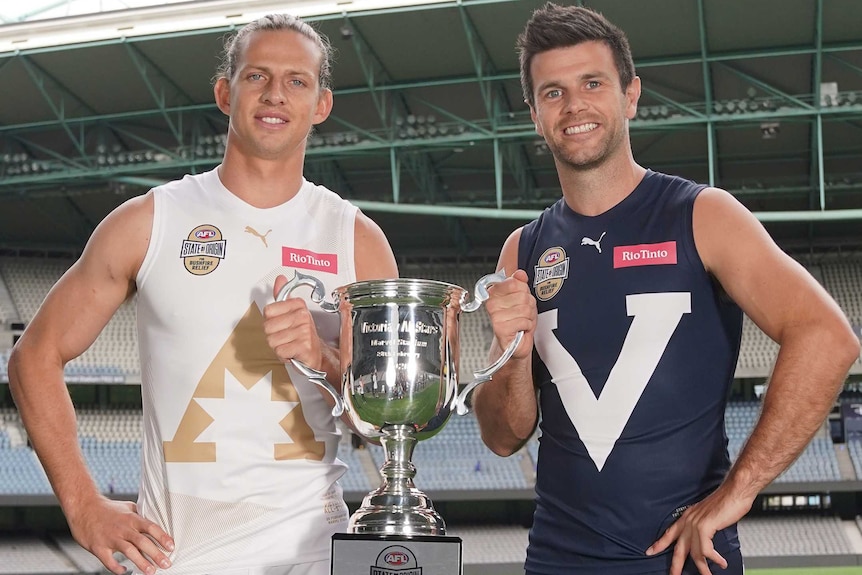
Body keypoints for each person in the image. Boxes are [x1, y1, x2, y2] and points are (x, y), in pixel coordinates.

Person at [471, 4, 861, 575]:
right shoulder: (522, 251)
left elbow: (828, 336)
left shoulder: (702, 215)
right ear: (533, 114)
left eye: (592, 83)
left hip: (685, 561)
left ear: (630, 95)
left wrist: (739, 490)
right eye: (552, 92)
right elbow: (503, 438)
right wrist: (514, 354)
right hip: (558, 560)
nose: (574, 105)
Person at [7, 13, 397, 575]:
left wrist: (322, 357)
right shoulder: (150, 221)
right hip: (177, 559)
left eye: (297, 81)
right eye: (256, 76)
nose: (275, 94)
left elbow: (385, 419)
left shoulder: (356, 239)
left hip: (313, 554)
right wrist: (82, 504)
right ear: (224, 91)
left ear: (322, 104)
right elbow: (34, 356)